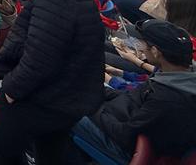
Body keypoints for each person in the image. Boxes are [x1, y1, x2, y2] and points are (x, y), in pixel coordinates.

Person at [0, 0, 105, 165]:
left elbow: (40, 58)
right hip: (63, 99)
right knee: (49, 152)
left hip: (41, 99)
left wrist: (11, 90)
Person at [70, 19, 196, 162]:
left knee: (62, 106)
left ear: (155, 52)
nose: (140, 49)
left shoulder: (167, 98)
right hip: (122, 117)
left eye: (143, 45)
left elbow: (124, 135)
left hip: (126, 147)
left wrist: (92, 107)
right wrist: (95, 91)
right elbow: (134, 96)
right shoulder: (176, 75)